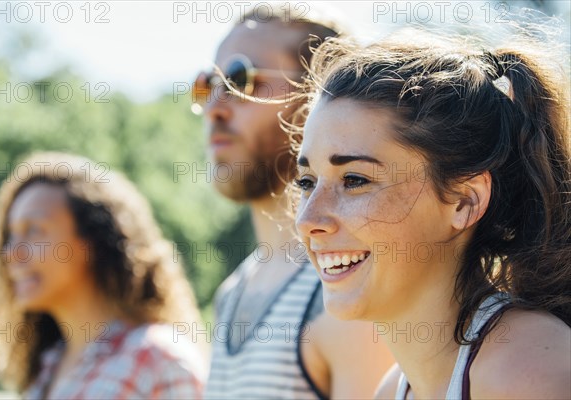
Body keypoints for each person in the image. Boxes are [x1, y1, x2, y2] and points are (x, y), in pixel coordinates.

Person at [294, 26, 571, 399]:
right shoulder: (392, 390)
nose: (308, 221)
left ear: (464, 201)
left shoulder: (527, 372)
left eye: (355, 179)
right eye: (307, 182)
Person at [196, 4, 394, 399]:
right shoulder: (232, 292)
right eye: (206, 85)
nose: (215, 108)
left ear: (319, 100)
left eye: (239, 79)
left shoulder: (346, 288)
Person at [0, 152, 206, 399]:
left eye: (34, 230)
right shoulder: (48, 366)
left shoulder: (159, 362)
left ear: (93, 242)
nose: (11, 253)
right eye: (11, 236)